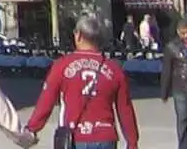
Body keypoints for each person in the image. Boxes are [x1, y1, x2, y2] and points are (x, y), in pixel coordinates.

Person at [27, 15, 138, 149]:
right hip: (105, 136)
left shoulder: (61, 66)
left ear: (78, 36)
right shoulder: (114, 69)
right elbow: (125, 109)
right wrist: (132, 142)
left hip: (74, 136)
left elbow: (46, 102)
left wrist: (32, 129)